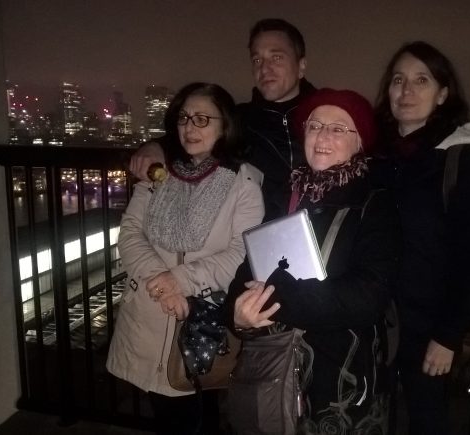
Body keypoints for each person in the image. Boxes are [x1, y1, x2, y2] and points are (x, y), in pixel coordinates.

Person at [227, 88, 400, 434]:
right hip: (275, 375)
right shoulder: (285, 196)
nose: (322, 136)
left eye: (338, 129)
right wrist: (238, 314)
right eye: (315, 126)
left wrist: (278, 298)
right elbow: (247, 271)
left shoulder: (373, 204)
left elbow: (368, 296)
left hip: (340, 384)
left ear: (360, 142)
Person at [106, 82, 264, 435]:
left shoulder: (243, 183)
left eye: (203, 119)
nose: (190, 127)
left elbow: (241, 252)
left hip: (202, 322)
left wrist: (180, 280)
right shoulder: (159, 174)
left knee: (200, 411)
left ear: (225, 126)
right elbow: (130, 233)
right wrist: (164, 284)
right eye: (184, 118)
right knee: (167, 413)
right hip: (151, 314)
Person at [372, 41, 470, 435]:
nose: (406, 90)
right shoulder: (376, 157)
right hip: (373, 318)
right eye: (398, 80)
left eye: (421, 80)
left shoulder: (460, 159)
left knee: (426, 420)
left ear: (442, 94)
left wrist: (448, 336)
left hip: (426, 328)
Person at [129, 18, 316, 221]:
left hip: (326, 231)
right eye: (257, 60)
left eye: (276, 57)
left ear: (301, 66)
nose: (264, 69)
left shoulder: (329, 115)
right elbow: (191, 137)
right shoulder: (238, 119)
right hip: (258, 233)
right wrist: (155, 147)